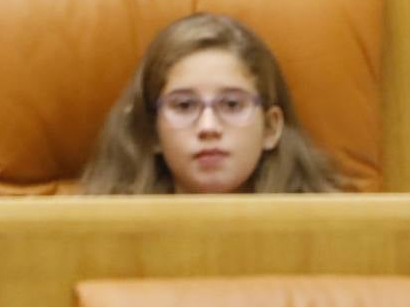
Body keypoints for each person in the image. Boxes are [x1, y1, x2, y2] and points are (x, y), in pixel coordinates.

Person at [79, 12, 341, 195]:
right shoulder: (99, 237)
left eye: (231, 105)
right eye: (183, 106)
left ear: (271, 129)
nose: (209, 127)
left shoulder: (332, 234)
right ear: (151, 131)